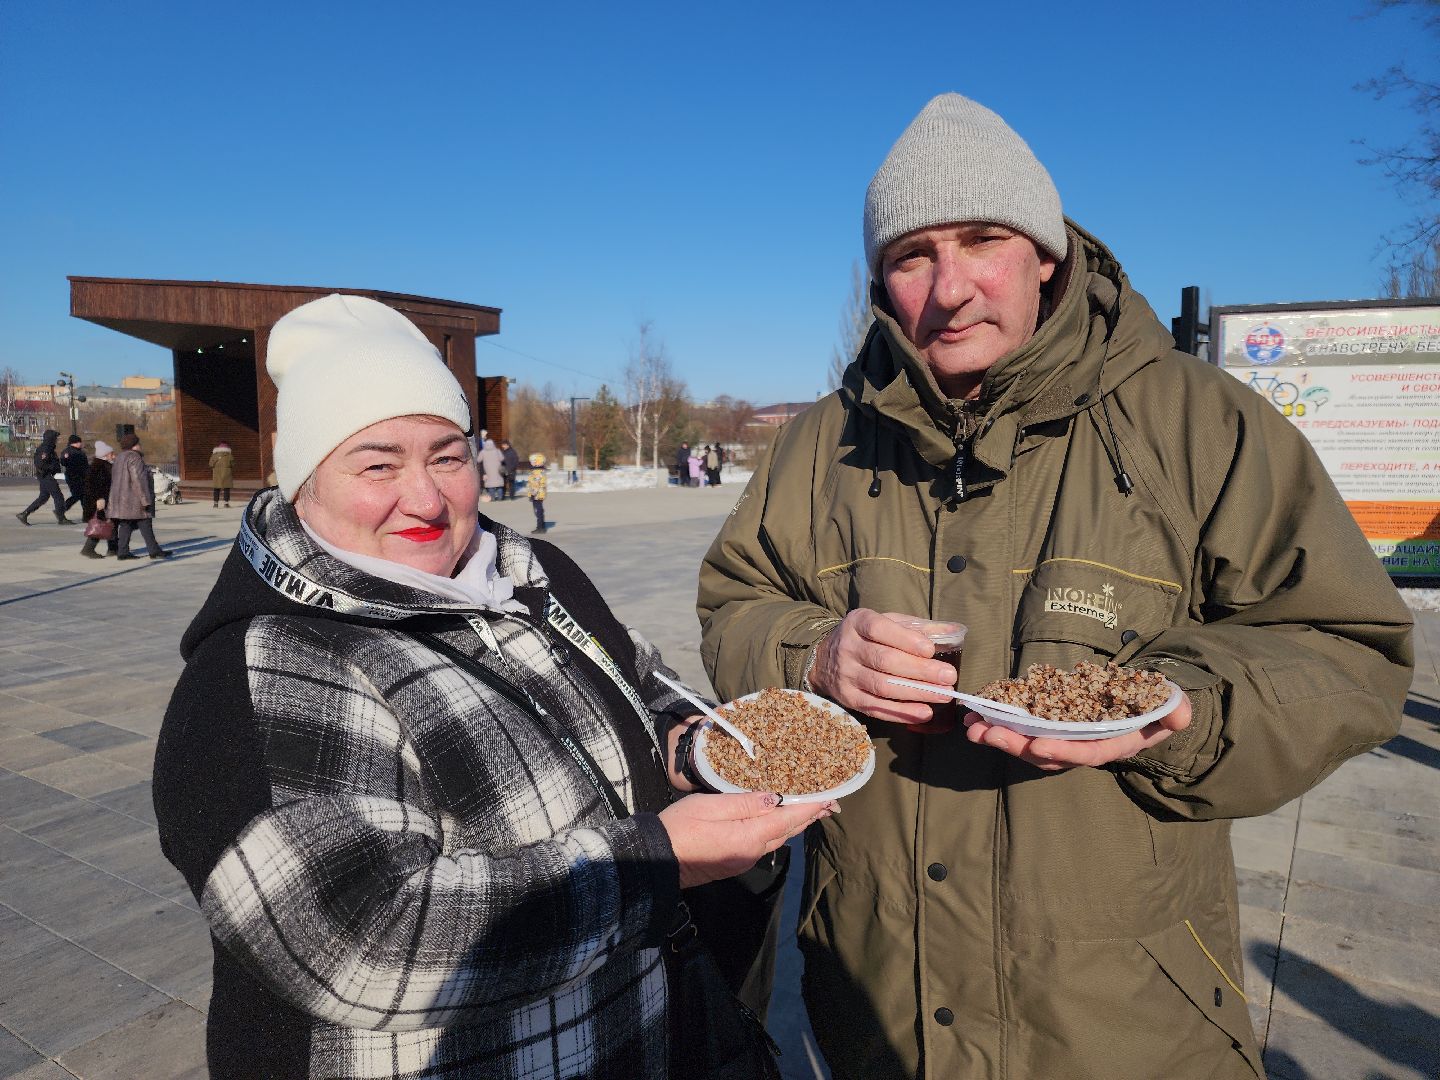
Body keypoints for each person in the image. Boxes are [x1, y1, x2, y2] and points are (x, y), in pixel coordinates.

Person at [697, 93, 1414, 1080]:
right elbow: (735, 603)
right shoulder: (819, 446)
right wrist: (809, 654)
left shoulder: (1199, 424)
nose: (949, 288)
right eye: (912, 257)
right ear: (879, 284)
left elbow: (1350, 647)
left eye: (983, 240)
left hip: (1122, 1021)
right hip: (874, 1010)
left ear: (1047, 254)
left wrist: (1187, 708)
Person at [152, 294, 827, 1079]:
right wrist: (659, 859)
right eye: (377, 463)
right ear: (304, 478)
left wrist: (696, 746)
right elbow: (361, 940)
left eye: (447, 455)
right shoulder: (269, 664)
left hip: (640, 1038)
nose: (427, 498)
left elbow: (638, 679)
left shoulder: (531, 575)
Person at [109, 433, 173, 560]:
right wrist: (145, 499)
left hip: (120, 498)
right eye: (138, 443)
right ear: (134, 445)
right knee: (145, 522)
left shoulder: (119, 458)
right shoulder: (135, 458)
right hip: (135, 499)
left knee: (126, 524)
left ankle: (122, 551)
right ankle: (154, 550)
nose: (140, 445)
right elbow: (139, 480)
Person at [16, 428, 72, 525]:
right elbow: (40, 464)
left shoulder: (49, 448)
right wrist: (51, 468)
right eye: (55, 438)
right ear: (51, 438)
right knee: (58, 496)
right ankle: (61, 518)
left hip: (46, 475)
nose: (57, 440)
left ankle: (24, 514)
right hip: (46, 476)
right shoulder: (45, 448)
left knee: (44, 497)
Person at [79, 440, 117, 559]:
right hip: (100, 501)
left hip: (105, 499)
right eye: (111, 453)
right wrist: (99, 498)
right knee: (100, 524)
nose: (113, 455)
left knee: (110, 523)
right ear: (105, 455)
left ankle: (113, 548)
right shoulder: (99, 467)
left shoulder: (103, 465)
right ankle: (88, 549)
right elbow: (91, 485)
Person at [60, 434, 88, 513]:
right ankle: (62, 509)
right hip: (74, 476)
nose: (81, 444)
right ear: (74, 443)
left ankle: (86, 514)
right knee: (77, 495)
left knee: (83, 495)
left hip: (79, 476)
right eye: (79, 442)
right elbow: (63, 462)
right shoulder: (70, 452)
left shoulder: (79, 452)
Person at [526, 450, 548, 533]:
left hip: (537, 494)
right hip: (536, 494)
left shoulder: (538, 472)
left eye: (533, 461)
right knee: (538, 510)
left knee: (538, 511)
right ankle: (541, 526)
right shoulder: (535, 471)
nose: (531, 463)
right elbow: (531, 484)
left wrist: (533, 493)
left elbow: (537, 484)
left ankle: (540, 527)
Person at [478, 436, 504, 501]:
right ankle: (500, 498)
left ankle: (492, 498)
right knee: (499, 484)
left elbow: (478, 460)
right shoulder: (497, 451)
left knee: (490, 485)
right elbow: (502, 458)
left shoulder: (483, 452)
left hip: (488, 471)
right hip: (498, 470)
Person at [209, 441, 234, 508]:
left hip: (217, 475)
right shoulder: (229, 456)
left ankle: (215, 504)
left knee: (216, 489)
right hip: (227, 474)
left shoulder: (214, 455)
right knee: (226, 489)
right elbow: (233, 464)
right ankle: (226, 504)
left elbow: (210, 464)